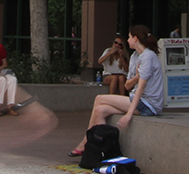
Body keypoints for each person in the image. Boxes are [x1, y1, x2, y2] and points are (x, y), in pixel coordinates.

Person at [68, 25, 165, 157]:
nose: (128, 40)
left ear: (135, 39)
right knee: (99, 110)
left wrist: (129, 114)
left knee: (99, 99)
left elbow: (141, 88)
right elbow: (127, 86)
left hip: (148, 105)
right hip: (138, 101)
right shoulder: (136, 56)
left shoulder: (148, 57)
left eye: (130, 37)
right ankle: (103, 149)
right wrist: (137, 76)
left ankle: (86, 142)